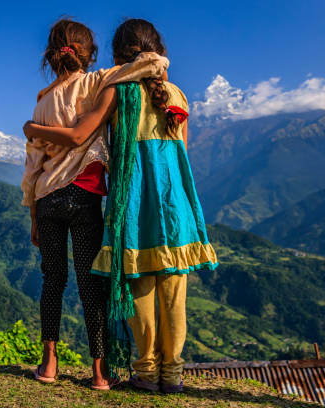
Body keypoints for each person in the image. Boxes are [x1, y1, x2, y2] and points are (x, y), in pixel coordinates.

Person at [23, 18, 218, 393]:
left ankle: (143, 371)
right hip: (172, 203)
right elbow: (182, 150)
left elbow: (73, 138)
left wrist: (33, 128)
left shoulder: (114, 92)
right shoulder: (174, 94)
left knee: (135, 282)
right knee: (171, 291)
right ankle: (166, 374)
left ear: (116, 55)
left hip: (128, 200)